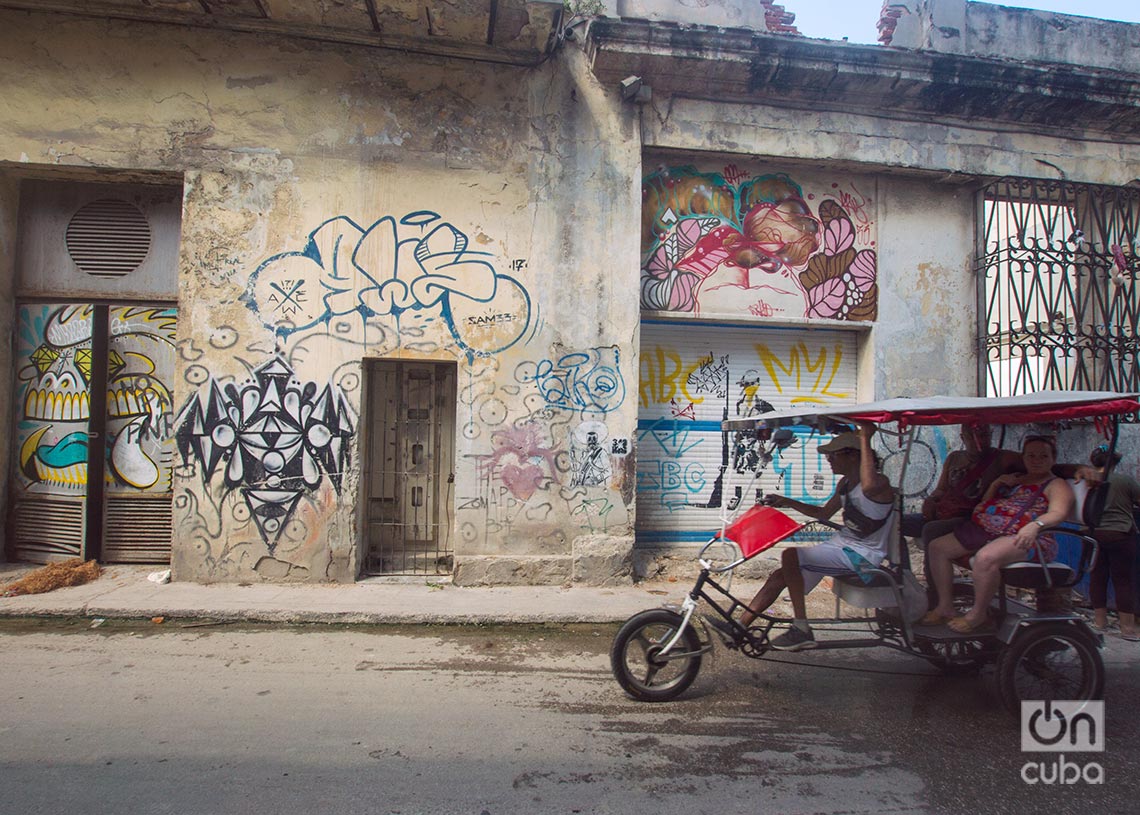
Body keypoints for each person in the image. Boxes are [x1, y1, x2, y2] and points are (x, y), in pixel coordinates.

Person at [707, 421, 896, 651]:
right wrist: (786, 501)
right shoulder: (846, 484)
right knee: (780, 575)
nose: (829, 460)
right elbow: (824, 513)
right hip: (842, 546)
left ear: (854, 456)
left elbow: (869, 487)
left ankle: (801, 628)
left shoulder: (879, 484)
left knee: (791, 557)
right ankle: (739, 628)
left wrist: (865, 438)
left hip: (862, 557)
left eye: (834, 455)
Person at [921, 435, 1074, 633]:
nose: (1037, 460)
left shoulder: (1056, 484)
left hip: (1028, 537)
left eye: (1043, 456)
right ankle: (944, 606)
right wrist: (997, 484)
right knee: (937, 547)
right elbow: (985, 502)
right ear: (1024, 457)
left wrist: (1035, 525)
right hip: (988, 531)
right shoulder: (1017, 479)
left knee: (985, 558)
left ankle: (978, 614)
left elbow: (1058, 513)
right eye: (1031, 456)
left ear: (1053, 459)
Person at [898, 423, 1020, 607]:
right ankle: (904, 581)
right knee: (896, 522)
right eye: (972, 436)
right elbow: (941, 489)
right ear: (963, 438)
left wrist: (1077, 469)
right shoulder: (955, 458)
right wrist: (931, 501)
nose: (979, 441)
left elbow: (1043, 465)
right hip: (944, 513)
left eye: (984, 435)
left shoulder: (1001, 458)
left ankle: (936, 595)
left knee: (932, 530)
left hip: (970, 518)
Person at [1075, 446, 1140, 640]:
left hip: (1091, 534)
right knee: (1122, 580)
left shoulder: (1085, 480)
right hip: (1119, 534)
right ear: (1114, 462)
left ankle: (1100, 622)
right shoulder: (1126, 481)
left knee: (1097, 577)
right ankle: (1127, 629)